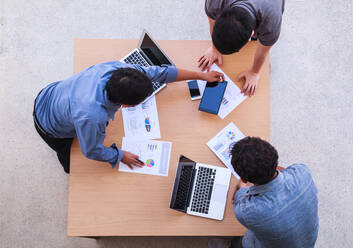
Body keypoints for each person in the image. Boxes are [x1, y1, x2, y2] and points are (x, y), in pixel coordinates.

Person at [33, 61, 224, 173]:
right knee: (70, 160)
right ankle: (67, 167)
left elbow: (161, 72)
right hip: (49, 125)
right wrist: (120, 155)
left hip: (53, 92)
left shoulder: (118, 69)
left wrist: (201, 76)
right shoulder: (93, 117)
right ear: (126, 106)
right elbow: (91, 151)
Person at [214, 137, 318, 248]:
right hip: (308, 240)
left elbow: (239, 198)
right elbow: (284, 170)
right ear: (276, 160)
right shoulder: (302, 171)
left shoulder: (248, 211)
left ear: (244, 179)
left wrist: (241, 186)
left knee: (243, 240)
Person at [198, 0, 285, 96]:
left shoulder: (271, 22)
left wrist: (254, 73)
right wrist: (214, 48)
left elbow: (263, 51)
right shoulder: (215, 3)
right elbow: (212, 21)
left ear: (252, 34)